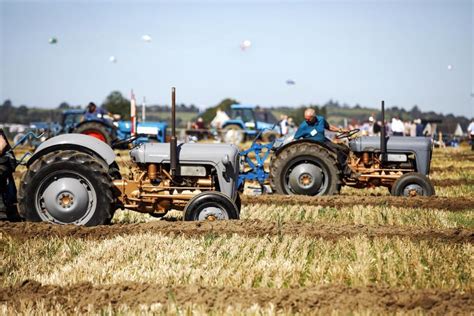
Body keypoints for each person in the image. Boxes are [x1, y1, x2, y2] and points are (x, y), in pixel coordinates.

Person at [294, 108, 356, 178]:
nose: (306, 120)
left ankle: (346, 167)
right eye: (305, 118)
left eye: (308, 119)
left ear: (314, 117)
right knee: (336, 152)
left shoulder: (321, 120)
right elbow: (296, 138)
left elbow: (329, 127)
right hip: (314, 145)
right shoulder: (303, 126)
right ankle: (348, 173)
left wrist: (340, 130)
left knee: (344, 149)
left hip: (324, 141)